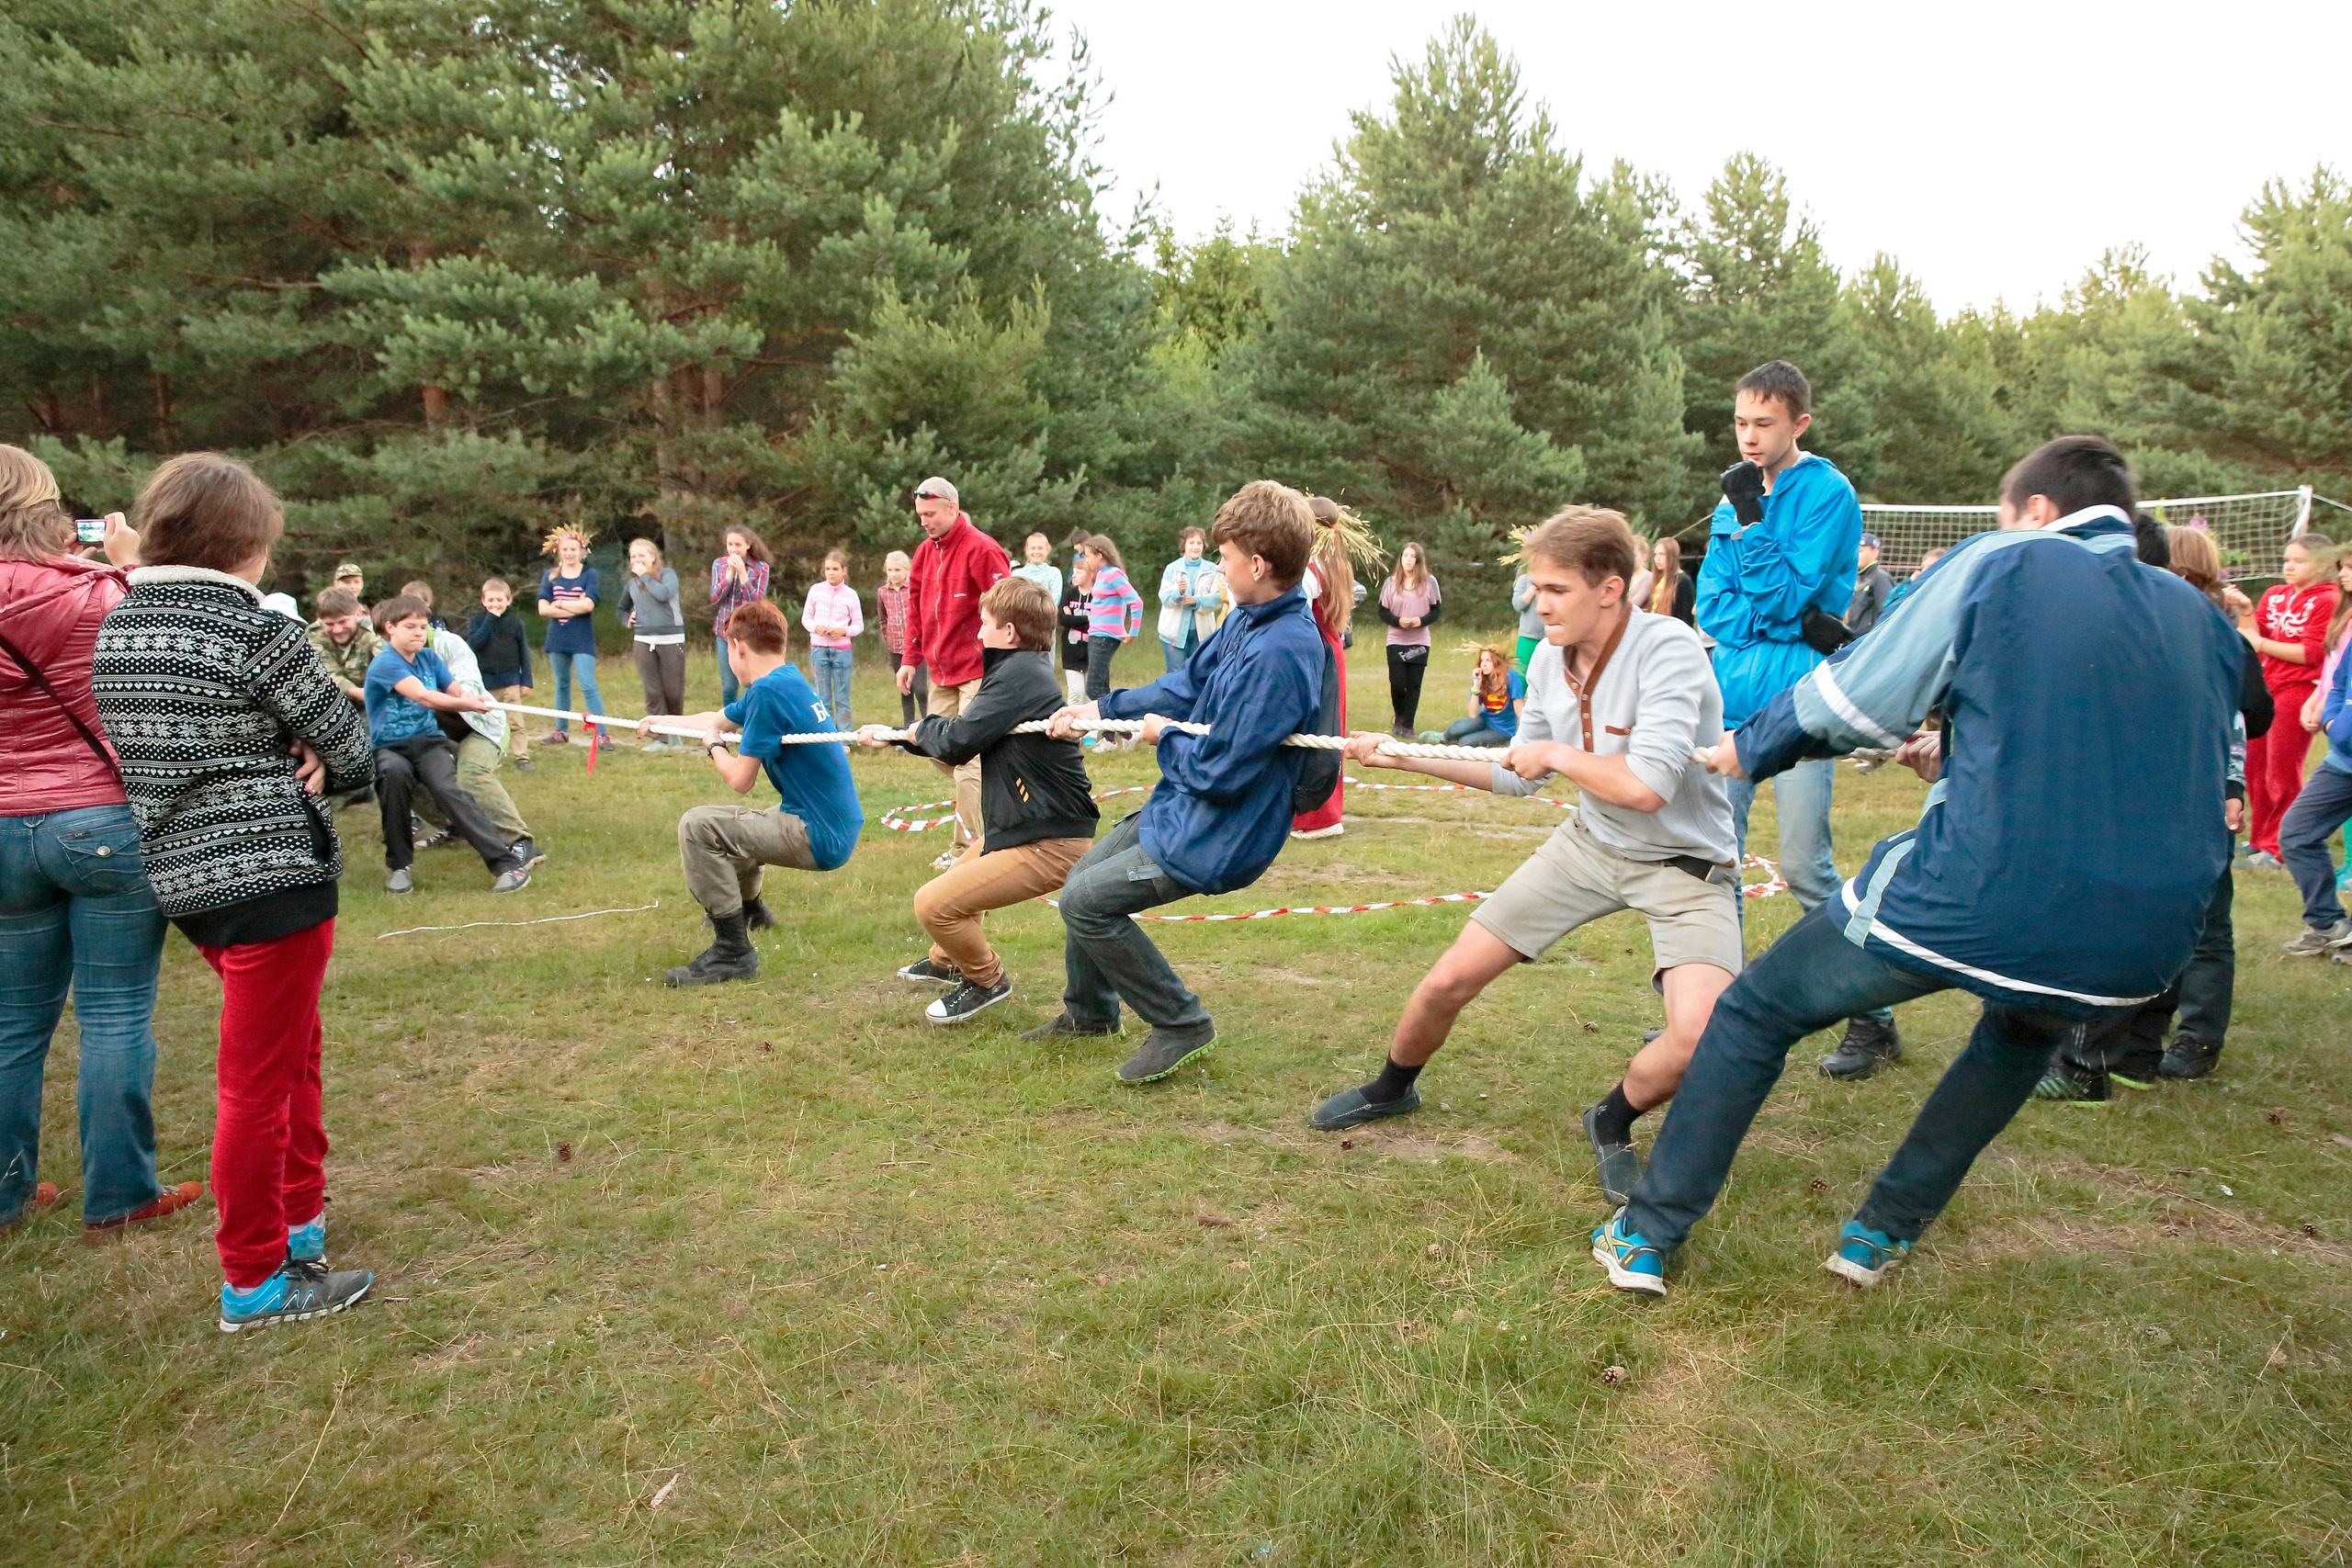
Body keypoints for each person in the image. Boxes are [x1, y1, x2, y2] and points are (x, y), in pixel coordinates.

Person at [1590, 435, 2242, 1298]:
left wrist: (1750, 747)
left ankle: (1648, 1229)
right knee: (2020, 1035)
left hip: (1983, 890)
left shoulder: (2007, 558)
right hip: (2149, 940)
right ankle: (1880, 1232)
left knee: (1753, 1011)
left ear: (2036, 510)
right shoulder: (2203, 615)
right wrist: (1968, 746)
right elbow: (2184, 726)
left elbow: (1857, 694)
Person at [1312, 507, 1741, 1211]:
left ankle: (1611, 1119)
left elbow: (1647, 788)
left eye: (1556, 589)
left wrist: (1558, 754)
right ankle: (1392, 1087)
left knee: (1696, 1036)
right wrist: (1404, 757)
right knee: (1448, 979)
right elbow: (1517, 773)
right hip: (1589, 844)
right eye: (1536, 588)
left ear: (1610, 589)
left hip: (1685, 864)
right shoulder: (1545, 658)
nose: (1539, 605)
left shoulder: (1670, 649)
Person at [91, 451, 379, 1331]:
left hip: (187, 880)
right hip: (272, 879)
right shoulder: (255, 629)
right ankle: (254, 1278)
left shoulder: (120, 626)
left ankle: (300, 1219)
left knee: (293, 1052)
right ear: (247, 545)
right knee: (257, 1081)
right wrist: (318, 749)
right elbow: (355, 749)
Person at [1036, 480, 1324, 1084]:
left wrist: (1163, 736)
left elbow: (1223, 768)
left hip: (1220, 830)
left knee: (1086, 903)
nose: (1218, 569)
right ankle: (1091, 1013)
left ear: (1258, 564)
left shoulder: (1283, 650)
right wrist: (1100, 709)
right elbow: (1186, 684)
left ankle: (1181, 1021)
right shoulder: (1247, 620)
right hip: (1183, 806)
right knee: (1081, 880)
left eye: (1225, 557)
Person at [0, 447, 201, 1240]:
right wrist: (133, 566)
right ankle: (120, 1194)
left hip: (4, 824)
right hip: (101, 819)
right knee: (115, 1013)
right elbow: (172, 647)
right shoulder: (98, 592)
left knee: (14, 1022)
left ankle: (7, 1193)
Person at [1695, 359, 1897, 1081]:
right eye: (1740, 422)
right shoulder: (1733, 494)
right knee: (1717, 860)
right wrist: (1776, 612)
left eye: (1765, 423)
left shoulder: (1827, 493)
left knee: (1806, 866)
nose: (1749, 437)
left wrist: (1756, 529)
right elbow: (1712, 604)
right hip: (1731, 699)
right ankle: (1720, 1009)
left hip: (1802, 704)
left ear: (1799, 423)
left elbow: (1789, 598)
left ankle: (1873, 1014)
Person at [2035, 522, 2273, 1096]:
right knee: (2173, 919)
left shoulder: (2182, 632)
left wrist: (2228, 783)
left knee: (2146, 920)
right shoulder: (2184, 629)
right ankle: (2138, 1052)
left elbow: (2239, 715)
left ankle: (2088, 1062)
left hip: (2174, 800)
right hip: (2175, 796)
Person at [858, 577, 1098, 1023]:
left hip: (1050, 841)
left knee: (933, 904)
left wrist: (913, 732)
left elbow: (959, 741)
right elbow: (969, 734)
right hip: (1021, 828)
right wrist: (899, 736)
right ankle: (948, 960)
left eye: (985, 622)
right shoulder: (1019, 670)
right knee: (960, 881)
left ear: (1009, 631)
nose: (978, 631)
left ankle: (987, 980)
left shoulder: (1019, 677)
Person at [642, 600, 862, 987]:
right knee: (736, 828)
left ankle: (733, 951)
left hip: (819, 835)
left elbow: (741, 780)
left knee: (698, 826)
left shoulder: (767, 693)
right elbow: (717, 720)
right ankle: (751, 911)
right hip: (832, 825)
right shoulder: (784, 681)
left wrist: (715, 748)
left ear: (737, 646)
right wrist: (662, 721)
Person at [365, 596, 534, 896]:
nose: (419, 632)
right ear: (390, 628)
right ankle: (400, 868)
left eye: (422, 626)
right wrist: (465, 703)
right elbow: (424, 696)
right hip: (390, 748)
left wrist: (470, 698)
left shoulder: (429, 659)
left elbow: (454, 689)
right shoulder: (385, 663)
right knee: (393, 777)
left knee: (449, 789)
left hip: (429, 743)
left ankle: (507, 865)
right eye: (410, 627)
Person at [898, 479, 1012, 868]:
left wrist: (1007, 663)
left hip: (979, 668)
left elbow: (1008, 608)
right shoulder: (922, 553)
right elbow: (915, 610)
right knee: (935, 747)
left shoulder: (982, 548)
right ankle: (1000, 789)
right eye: (920, 516)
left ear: (952, 508)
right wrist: (910, 658)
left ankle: (967, 851)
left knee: (968, 762)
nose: (924, 522)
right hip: (940, 670)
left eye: (930, 514)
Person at [2238, 534, 2339, 868]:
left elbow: (2312, 654)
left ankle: (2281, 846)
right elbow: (2255, 637)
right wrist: (2246, 611)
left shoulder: (2327, 600)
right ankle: (2259, 839)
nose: (2289, 567)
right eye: (2286, 560)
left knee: (2281, 770)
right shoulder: (2275, 594)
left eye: (2299, 561)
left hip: (2298, 689)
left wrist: (2263, 645)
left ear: (2322, 565)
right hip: (2268, 685)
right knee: (2254, 767)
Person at [414, 621, 541, 874]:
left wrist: (460, 696)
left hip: (479, 726)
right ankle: (456, 826)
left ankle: (519, 841)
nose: (414, 633)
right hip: (436, 734)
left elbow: (468, 682)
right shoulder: (387, 655)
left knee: (471, 774)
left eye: (417, 626)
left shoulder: (448, 644)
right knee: (400, 771)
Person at [2278, 566, 2352, 956]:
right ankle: (2327, 923)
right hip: (2343, 760)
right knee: (2297, 832)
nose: (2345, 575)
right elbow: (2338, 682)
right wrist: (2332, 720)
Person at [1291, 496, 1369, 840]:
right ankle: (1325, 813)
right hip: (1330, 649)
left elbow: (1298, 612)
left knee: (1317, 732)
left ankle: (1316, 818)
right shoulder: (1337, 562)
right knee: (1329, 729)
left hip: (1317, 653)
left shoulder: (1312, 569)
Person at [537, 525, 606, 745]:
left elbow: (588, 605)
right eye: (565, 549)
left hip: (581, 638)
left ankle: (602, 733)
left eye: (573, 549)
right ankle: (561, 731)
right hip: (557, 638)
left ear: (581, 551)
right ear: (558, 551)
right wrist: (574, 606)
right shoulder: (550, 576)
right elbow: (543, 609)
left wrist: (559, 603)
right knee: (562, 684)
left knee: (588, 685)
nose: (569, 553)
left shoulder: (589, 575)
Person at [620, 537, 685, 750]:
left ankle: (676, 733)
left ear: (653, 557)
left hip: (671, 640)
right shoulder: (632, 584)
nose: (636, 560)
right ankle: (660, 738)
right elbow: (621, 609)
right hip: (643, 641)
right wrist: (626, 618)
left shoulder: (668, 575)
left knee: (673, 691)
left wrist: (645, 576)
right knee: (653, 691)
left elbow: (663, 594)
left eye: (641, 555)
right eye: (633, 556)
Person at [465, 576, 532, 770]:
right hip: (486, 683)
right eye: (491, 600)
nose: (495, 604)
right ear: (483, 601)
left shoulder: (515, 623)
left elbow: (523, 653)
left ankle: (521, 756)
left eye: (500, 600)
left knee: (515, 721)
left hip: (510, 680)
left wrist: (526, 681)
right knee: (488, 722)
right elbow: (474, 644)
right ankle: (490, 756)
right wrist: (490, 620)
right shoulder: (478, 621)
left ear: (508, 600)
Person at [1377, 541, 1441, 738]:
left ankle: (1408, 724)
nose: (1408, 560)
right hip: (1396, 640)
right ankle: (1399, 717)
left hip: (1420, 641)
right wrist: (1397, 621)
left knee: (1413, 685)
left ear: (1418, 561)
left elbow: (1436, 611)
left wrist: (1421, 621)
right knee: (1397, 683)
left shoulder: (1429, 582)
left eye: (1412, 556)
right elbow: (1382, 611)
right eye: (1405, 556)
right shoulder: (1390, 583)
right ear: (1401, 559)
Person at [709, 525, 775, 706]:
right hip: (725, 633)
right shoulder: (719, 564)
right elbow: (715, 597)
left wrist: (743, 574)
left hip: (749, 632)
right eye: (730, 544)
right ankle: (729, 719)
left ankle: (751, 716)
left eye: (738, 545)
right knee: (729, 686)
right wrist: (730, 574)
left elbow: (755, 601)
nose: (733, 549)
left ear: (748, 545)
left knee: (751, 682)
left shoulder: (761, 568)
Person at [801, 548, 864, 735]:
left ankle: (844, 736)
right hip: (818, 649)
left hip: (842, 651)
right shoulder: (816, 591)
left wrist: (843, 631)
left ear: (844, 571)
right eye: (828, 569)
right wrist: (816, 628)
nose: (831, 573)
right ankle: (825, 735)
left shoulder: (851, 595)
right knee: (822, 696)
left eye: (835, 569)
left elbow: (859, 625)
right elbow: (806, 618)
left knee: (842, 696)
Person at [1080, 534, 1144, 703]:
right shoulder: (1101, 575)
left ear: (1099, 555)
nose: (1086, 560)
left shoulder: (1114, 575)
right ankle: (1111, 720)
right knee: (1100, 686)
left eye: (1088, 555)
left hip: (1106, 636)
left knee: (1093, 688)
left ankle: (1120, 716)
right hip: (1096, 634)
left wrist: (1133, 632)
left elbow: (1136, 602)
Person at [1157, 527, 1222, 672]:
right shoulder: (1172, 569)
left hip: (1202, 635)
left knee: (1198, 674)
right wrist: (1178, 593)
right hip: (1173, 634)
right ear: (1184, 545)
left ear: (1204, 546)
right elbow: (1165, 599)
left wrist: (1197, 601)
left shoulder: (1213, 570)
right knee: (1175, 674)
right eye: (1191, 543)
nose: (1195, 547)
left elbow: (1219, 598)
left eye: (1199, 543)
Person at [306, 585, 381, 708]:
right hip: (330, 704)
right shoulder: (314, 637)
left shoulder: (373, 633)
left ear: (357, 614)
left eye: (343, 622)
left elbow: (390, 662)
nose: (337, 630)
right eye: (329, 624)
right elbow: (328, 674)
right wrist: (357, 693)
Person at [1441, 644, 1525, 748]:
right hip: (1483, 720)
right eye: (1482, 660)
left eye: (1488, 661)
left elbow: (1519, 709)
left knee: (1465, 742)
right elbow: (1473, 714)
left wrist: (1528, 732)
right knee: (1458, 729)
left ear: (1497, 662)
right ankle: (1444, 737)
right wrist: (1476, 685)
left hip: (1501, 730)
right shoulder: (1481, 678)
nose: (1483, 664)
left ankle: (1459, 740)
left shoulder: (1511, 677)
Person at [876, 549, 923, 725]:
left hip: (916, 646)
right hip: (896, 647)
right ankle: (907, 726)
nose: (893, 574)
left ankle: (929, 725)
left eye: (897, 570)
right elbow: (883, 618)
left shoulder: (913, 589)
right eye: (890, 570)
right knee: (905, 689)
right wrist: (887, 635)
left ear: (907, 570)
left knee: (921, 689)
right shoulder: (882, 592)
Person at [1057, 558, 1093, 706]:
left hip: (1093, 648)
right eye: (1074, 572)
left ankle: (1091, 722)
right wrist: (1087, 618)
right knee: (1076, 691)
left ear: (1091, 574)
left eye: (1079, 572)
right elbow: (1062, 619)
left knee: (1091, 692)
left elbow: (1099, 620)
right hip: (1071, 648)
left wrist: (1073, 618)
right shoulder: (1070, 593)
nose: (1074, 575)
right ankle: (1072, 720)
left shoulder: (1098, 595)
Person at [1845, 532, 1894, 636]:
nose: (1856, 555)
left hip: (1870, 639)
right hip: (1853, 639)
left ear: (1875, 552)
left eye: (1860, 551)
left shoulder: (1880, 578)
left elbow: (1887, 611)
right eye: (1854, 551)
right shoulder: (1855, 578)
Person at [1880, 544, 1946, 618]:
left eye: (1930, 566)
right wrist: (1910, 584)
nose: (1924, 570)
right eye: (1922, 567)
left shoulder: (1946, 590)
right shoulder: (1915, 588)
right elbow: (1889, 605)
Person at [1645, 536, 1695, 626]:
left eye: (1662, 554)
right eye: (1655, 554)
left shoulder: (1683, 582)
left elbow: (1686, 619)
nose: (1657, 558)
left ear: (1671, 555)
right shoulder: (1659, 581)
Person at [1012, 531, 1062, 611]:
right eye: (1033, 548)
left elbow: (1054, 602)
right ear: (1027, 550)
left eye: (1040, 548)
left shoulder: (1054, 573)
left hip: (1046, 616)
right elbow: (1016, 600)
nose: (1036, 552)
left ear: (1047, 550)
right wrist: (1045, 597)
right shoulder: (1018, 574)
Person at [1509, 568, 1544, 673]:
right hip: (1528, 636)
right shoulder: (1524, 580)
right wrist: (1534, 587)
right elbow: (1518, 605)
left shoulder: (1552, 579)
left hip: (1548, 638)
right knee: (1522, 671)